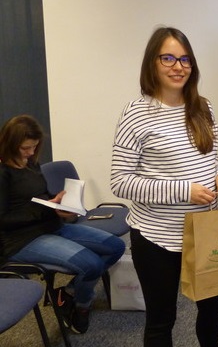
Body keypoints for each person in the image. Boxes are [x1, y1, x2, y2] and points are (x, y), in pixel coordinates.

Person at [110, 27, 218, 347]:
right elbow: (120, 181)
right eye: (168, 58)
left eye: (185, 59)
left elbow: (208, 159)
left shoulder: (203, 107)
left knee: (214, 304)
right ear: (152, 63)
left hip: (204, 231)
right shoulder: (136, 113)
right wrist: (183, 191)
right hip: (156, 237)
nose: (178, 66)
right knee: (162, 320)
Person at [0, 114, 126, 334]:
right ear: (11, 143)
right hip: (21, 240)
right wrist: (43, 209)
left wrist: (59, 204)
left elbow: (41, 197)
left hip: (51, 226)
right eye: (26, 148)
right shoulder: (3, 173)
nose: (31, 152)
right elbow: (3, 220)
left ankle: (67, 293)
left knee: (116, 247)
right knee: (92, 265)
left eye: (34, 147)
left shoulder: (31, 164)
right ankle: (80, 306)